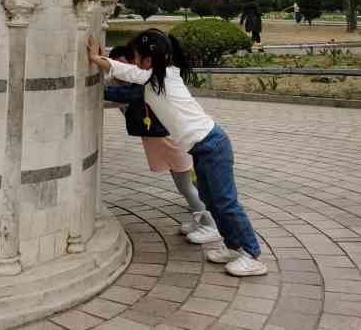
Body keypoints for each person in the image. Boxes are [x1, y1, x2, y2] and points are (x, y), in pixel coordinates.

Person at [87, 28, 267, 277]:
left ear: (149, 60)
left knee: (226, 202)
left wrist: (100, 61)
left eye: (137, 56)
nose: (134, 61)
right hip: (202, 148)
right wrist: (102, 61)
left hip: (212, 144)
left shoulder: (163, 77)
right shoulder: (155, 77)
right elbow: (128, 72)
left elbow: (129, 72)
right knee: (211, 199)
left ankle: (253, 254)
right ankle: (233, 246)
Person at [105, 43, 220, 243]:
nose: (122, 70)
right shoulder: (138, 78)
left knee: (186, 185)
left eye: (124, 64)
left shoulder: (146, 79)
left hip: (168, 138)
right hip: (161, 138)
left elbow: (129, 96)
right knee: (183, 183)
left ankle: (210, 225)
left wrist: (101, 87)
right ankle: (199, 219)